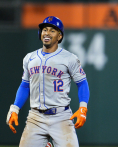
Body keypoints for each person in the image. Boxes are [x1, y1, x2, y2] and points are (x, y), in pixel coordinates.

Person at [6, 16, 90, 147]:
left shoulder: (69, 58)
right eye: (45, 29)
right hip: (35, 117)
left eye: (52, 30)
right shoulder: (30, 58)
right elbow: (25, 85)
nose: (47, 33)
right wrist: (15, 109)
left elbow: (82, 83)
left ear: (59, 36)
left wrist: (83, 108)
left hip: (61, 117)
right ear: (40, 33)